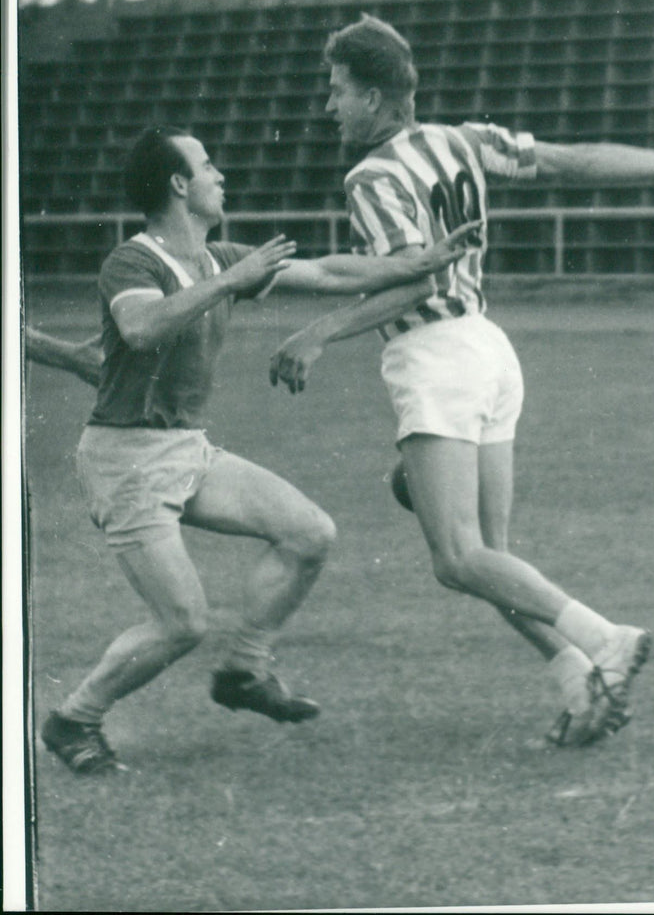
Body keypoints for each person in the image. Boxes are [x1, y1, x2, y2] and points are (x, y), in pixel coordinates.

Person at [269, 14, 654, 747]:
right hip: (490, 351)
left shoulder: (371, 178)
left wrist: (317, 333)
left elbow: (410, 281)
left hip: (437, 355)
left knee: (458, 560)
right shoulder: (464, 140)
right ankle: (579, 682)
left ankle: (604, 640)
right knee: (488, 559)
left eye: (338, 90)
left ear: (374, 97)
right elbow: (578, 161)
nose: (329, 105)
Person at [36, 124, 477, 775]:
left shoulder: (218, 259)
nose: (222, 176)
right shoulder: (133, 262)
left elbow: (328, 272)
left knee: (308, 533)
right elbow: (140, 326)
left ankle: (245, 669)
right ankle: (74, 718)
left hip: (184, 448)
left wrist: (416, 263)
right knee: (183, 623)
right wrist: (230, 279)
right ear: (179, 185)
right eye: (208, 166)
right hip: (125, 461)